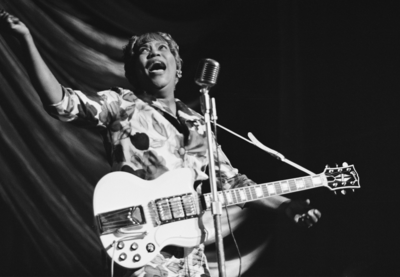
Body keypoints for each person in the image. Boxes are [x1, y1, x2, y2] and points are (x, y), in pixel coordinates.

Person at [0, 10, 321, 277]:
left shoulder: (198, 122)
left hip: (190, 251)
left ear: (177, 68)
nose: (153, 52)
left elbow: (233, 183)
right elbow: (62, 104)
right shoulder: (120, 104)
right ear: (134, 70)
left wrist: (286, 206)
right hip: (139, 240)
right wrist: (26, 39)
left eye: (161, 48)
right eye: (144, 50)